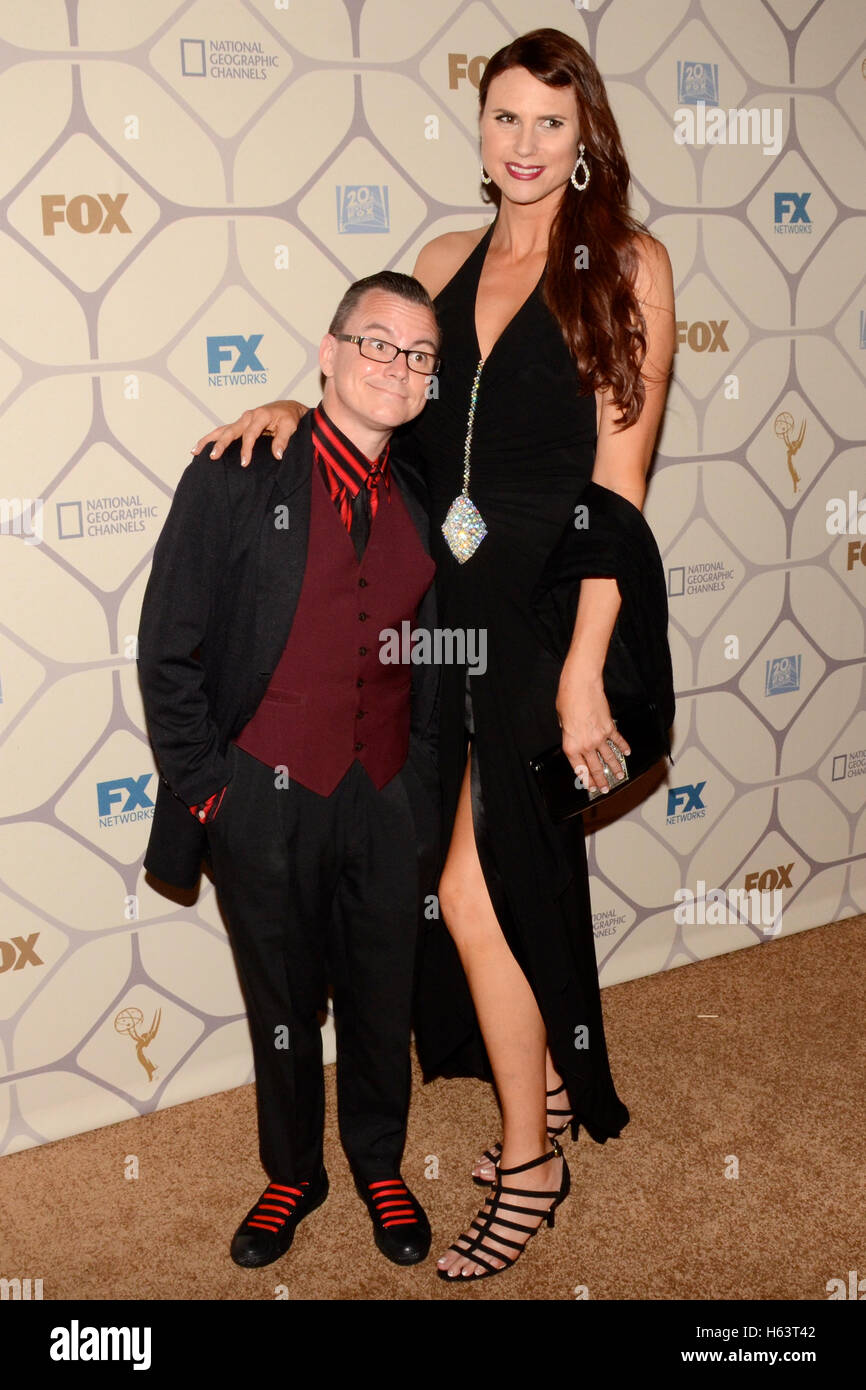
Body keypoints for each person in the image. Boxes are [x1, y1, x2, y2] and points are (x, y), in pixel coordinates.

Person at [193, 28, 676, 1283]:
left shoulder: (623, 265)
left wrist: (581, 673)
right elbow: (394, 420)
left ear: (587, 141)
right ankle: (548, 1093)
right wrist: (305, 411)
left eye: (549, 124)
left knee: (474, 887)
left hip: (547, 623)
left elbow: (618, 493)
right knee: (472, 884)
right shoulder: (440, 260)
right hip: (437, 620)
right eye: (503, 118)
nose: (522, 145)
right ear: (480, 129)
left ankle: (531, 1162)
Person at [138, 271, 444, 1270]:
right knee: (279, 999)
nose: (396, 367)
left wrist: (429, 786)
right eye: (376, 343)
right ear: (326, 352)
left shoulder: (431, 489)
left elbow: (455, 635)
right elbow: (168, 649)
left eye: (418, 354)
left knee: (379, 987)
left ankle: (376, 1157)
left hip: (387, 789)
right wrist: (211, 791)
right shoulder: (236, 472)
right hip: (261, 793)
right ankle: (289, 1171)